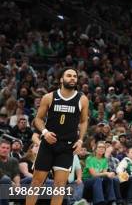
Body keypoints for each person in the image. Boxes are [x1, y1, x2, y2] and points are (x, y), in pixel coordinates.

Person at [27, 67, 90, 205]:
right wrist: (45, 132)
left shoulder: (82, 99)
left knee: (60, 186)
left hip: (67, 147)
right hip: (47, 145)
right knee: (36, 182)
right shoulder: (49, 97)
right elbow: (38, 119)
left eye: (75, 76)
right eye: (69, 75)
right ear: (61, 79)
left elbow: (84, 121)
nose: (72, 78)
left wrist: (80, 141)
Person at [83, 141, 122, 205]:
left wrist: (110, 175)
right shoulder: (90, 158)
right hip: (87, 180)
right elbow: (94, 174)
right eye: (99, 147)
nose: (101, 149)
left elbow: (104, 173)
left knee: (109, 179)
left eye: (103, 147)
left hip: (98, 180)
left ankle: (111, 201)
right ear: (95, 149)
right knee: (97, 179)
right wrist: (106, 173)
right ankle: (99, 202)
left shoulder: (104, 160)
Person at [0, 139, 20, 205]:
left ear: (10, 150)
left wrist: (17, 184)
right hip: (3, 183)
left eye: (7, 148)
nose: (5, 150)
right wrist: (11, 183)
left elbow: (16, 174)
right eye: (3, 147)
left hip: (11, 185)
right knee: (5, 180)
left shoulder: (14, 160)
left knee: (29, 180)